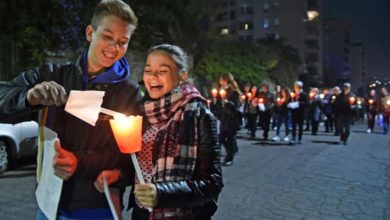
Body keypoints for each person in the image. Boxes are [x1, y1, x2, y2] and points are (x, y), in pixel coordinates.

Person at [0, 0, 141, 219]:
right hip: (49, 204)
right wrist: (28, 97)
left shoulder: (129, 93)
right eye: (107, 37)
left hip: (97, 206)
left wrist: (80, 162)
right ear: (89, 32)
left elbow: (129, 156)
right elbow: (3, 96)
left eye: (123, 42)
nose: (114, 48)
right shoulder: (52, 75)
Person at [122, 44, 223, 219]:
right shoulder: (140, 112)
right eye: (148, 70)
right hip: (142, 214)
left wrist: (162, 194)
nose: (152, 76)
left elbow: (213, 183)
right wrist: (116, 175)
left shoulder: (198, 115)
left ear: (182, 76)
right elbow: (133, 166)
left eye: (162, 70)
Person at [212, 73, 242, 166]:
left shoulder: (234, 92)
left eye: (222, 80)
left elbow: (236, 106)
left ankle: (229, 157)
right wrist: (215, 102)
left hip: (232, 119)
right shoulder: (221, 91)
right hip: (224, 119)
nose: (220, 82)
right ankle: (230, 151)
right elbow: (219, 106)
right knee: (221, 138)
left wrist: (228, 102)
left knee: (228, 138)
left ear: (226, 80)